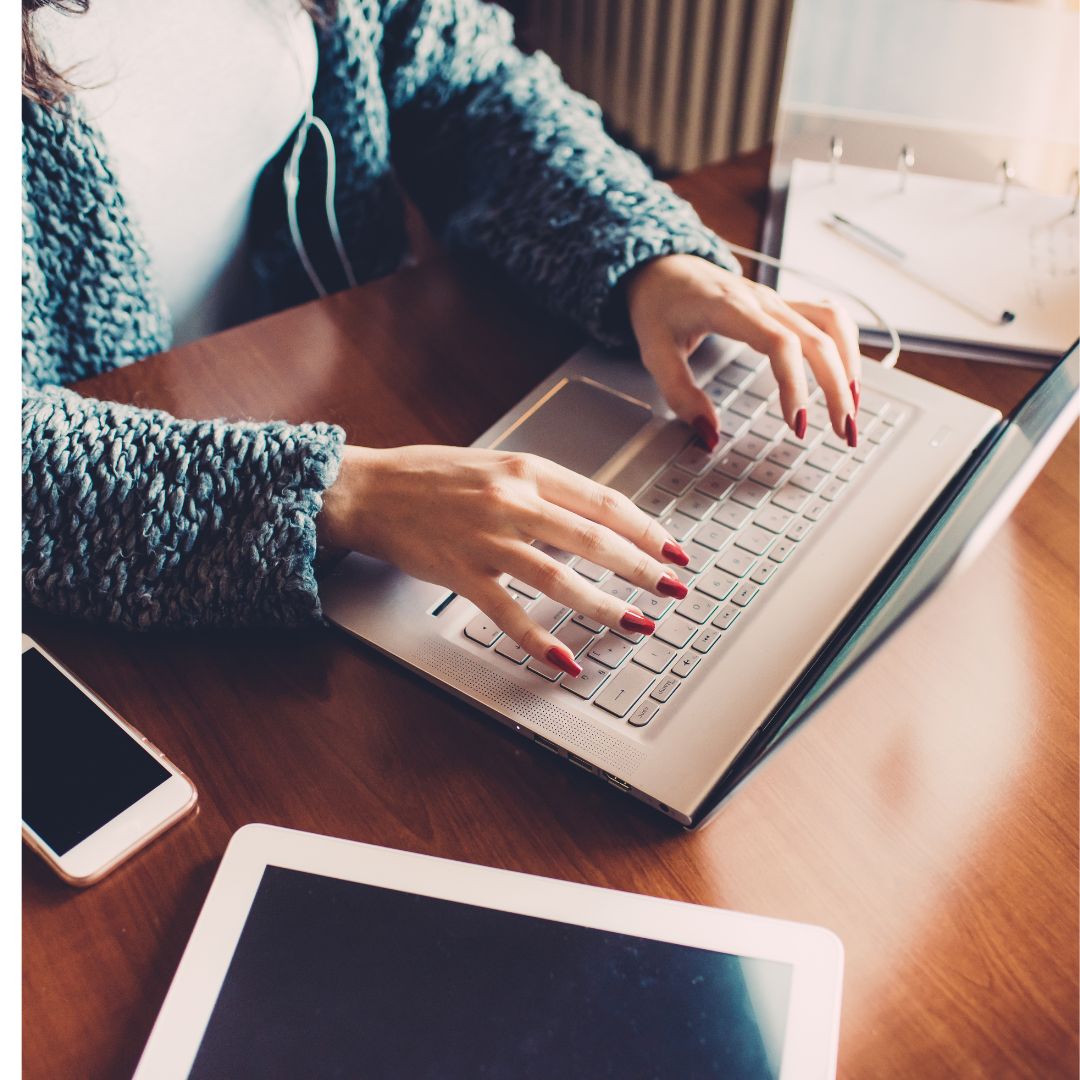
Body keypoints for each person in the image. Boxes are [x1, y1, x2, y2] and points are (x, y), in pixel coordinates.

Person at [22, 0, 861, 677]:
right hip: (138, 558)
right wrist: (336, 496)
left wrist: (649, 257)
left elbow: (467, 86)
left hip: (355, 394)